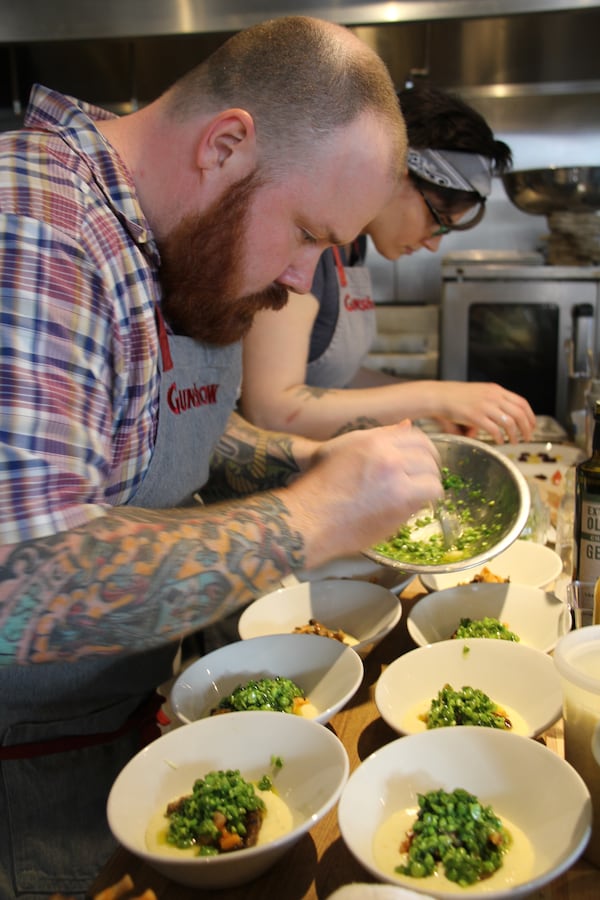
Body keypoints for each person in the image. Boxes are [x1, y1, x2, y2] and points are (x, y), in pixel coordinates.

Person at [0, 16, 445, 900]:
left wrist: (299, 465)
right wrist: (315, 517)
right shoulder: (36, 227)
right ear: (227, 144)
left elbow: (155, 428)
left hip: (118, 733)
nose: (300, 279)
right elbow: (21, 581)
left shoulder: (149, 228)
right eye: (309, 234)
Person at [239, 84, 536, 444]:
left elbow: (333, 378)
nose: (433, 243)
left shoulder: (353, 247)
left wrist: (439, 404)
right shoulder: (306, 246)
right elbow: (271, 407)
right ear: (397, 173)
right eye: (437, 218)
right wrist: (434, 397)